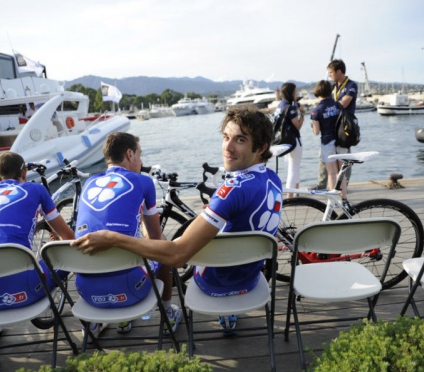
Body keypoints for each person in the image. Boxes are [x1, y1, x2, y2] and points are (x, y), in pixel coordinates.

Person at [71, 104, 283, 335]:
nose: (227, 147)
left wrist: (112, 238)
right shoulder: (273, 178)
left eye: (240, 140)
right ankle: (228, 313)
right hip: (250, 280)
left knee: (162, 250)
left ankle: (173, 312)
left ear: (261, 147)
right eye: (225, 137)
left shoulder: (232, 190)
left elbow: (177, 255)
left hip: (214, 284)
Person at [73, 132, 182, 337]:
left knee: (105, 254)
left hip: (88, 294)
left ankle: (100, 322)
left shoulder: (89, 183)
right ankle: (167, 313)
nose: (141, 162)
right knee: (163, 246)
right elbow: (155, 237)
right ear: (129, 154)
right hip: (132, 291)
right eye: (140, 155)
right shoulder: (143, 182)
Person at [0, 152, 75, 347]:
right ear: (24, 172)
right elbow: (69, 238)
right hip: (24, 292)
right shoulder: (36, 190)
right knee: (68, 257)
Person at [316, 59, 358, 190]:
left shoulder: (351, 85)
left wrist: (327, 108)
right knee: (323, 156)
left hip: (344, 126)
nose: (329, 75)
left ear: (339, 71)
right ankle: (322, 185)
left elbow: (344, 103)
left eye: (331, 73)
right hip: (331, 127)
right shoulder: (333, 87)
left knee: (344, 158)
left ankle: (343, 186)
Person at [310, 80, 349, 201]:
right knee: (341, 173)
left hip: (327, 142)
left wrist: (313, 125)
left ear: (318, 92)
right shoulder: (338, 105)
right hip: (341, 141)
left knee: (332, 173)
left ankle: (333, 200)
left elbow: (316, 132)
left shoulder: (317, 110)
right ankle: (344, 198)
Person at [274, 82, 305, 198]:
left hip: (283, 141)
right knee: (293, 169)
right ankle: (289, 197)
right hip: (293, 141)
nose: (297, 93)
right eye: (295, 91)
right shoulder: (290, 108)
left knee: (293, 167)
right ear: (292, 93)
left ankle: (297, 192)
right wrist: (302, 114)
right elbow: (297, 126)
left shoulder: (280, 105)